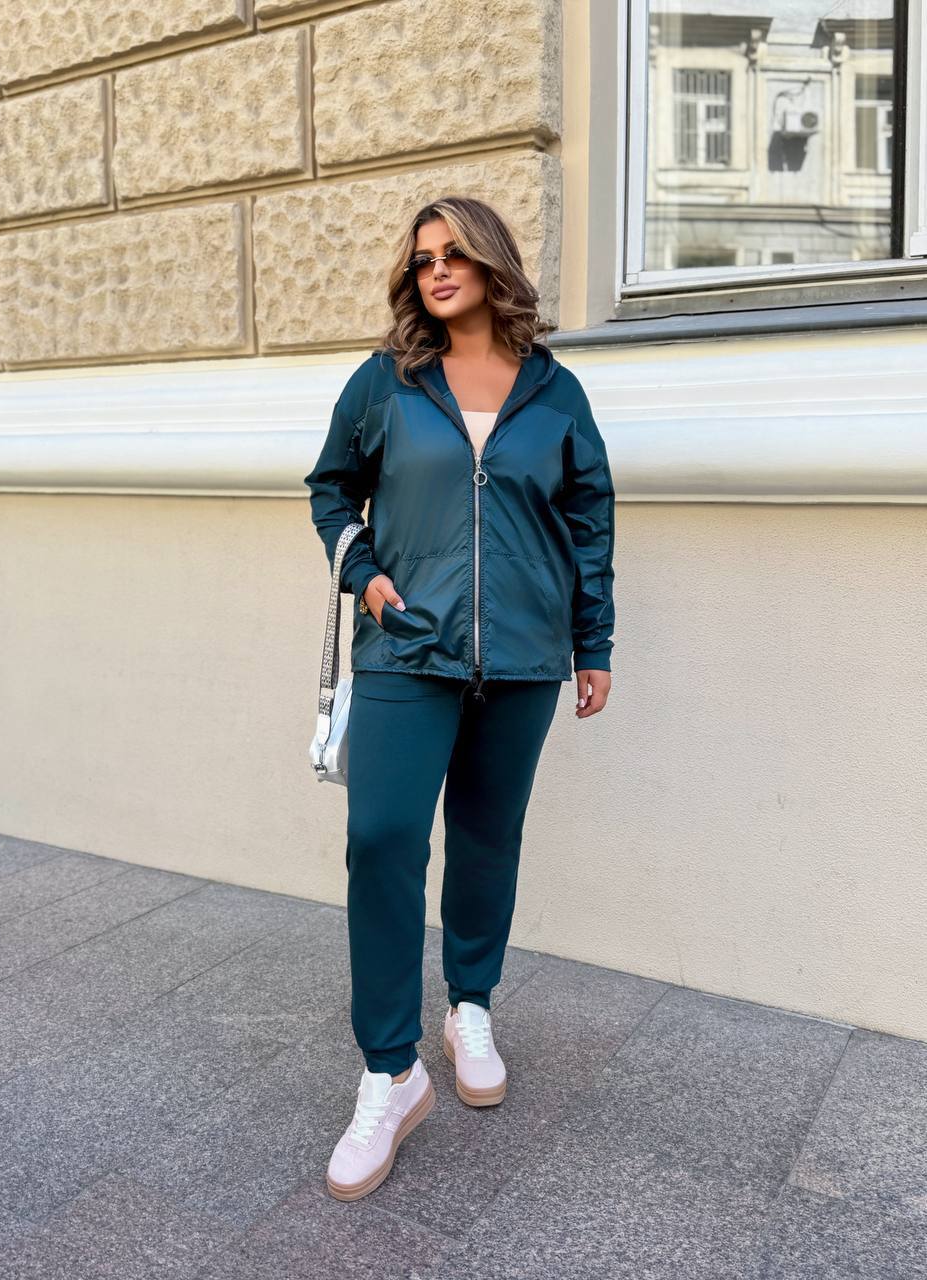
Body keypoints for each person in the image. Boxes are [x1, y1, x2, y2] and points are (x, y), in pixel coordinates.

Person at [303, 195, 616, 1201]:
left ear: (490, 264)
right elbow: (329, 488)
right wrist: (364, 574)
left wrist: (593, 642)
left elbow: (588, 518)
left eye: (453, 254)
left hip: (523, 653)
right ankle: (389, 1073)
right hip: (406, 647)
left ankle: (469, 1006)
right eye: (421, 258)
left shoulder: (554, 391)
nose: (434, 269)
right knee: (382, 837)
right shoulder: (384, 380)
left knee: (487, 835)